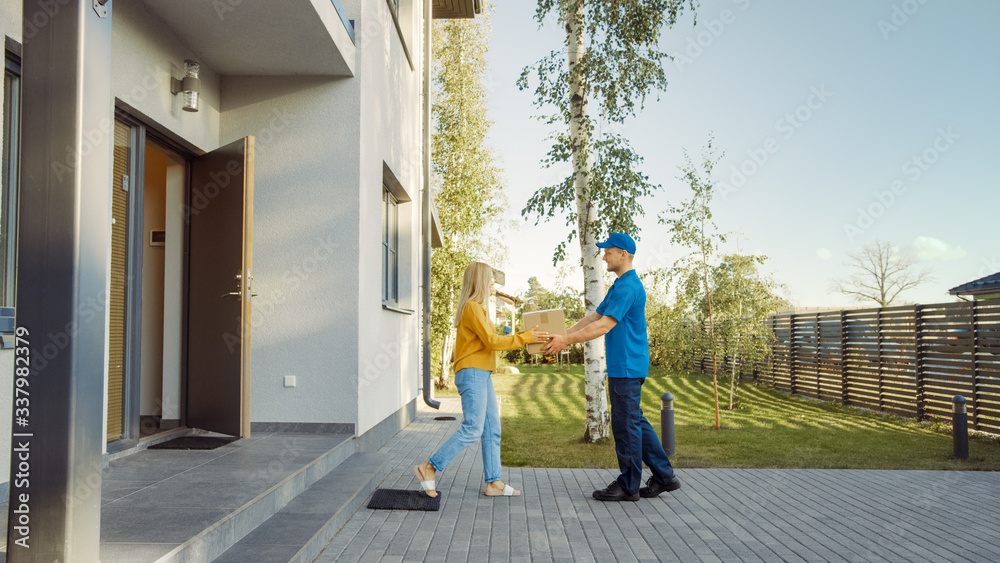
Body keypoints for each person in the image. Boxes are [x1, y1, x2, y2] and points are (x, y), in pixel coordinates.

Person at [542, 233, 680, 502]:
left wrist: (565, 341)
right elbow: (595, 317)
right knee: (634, 422)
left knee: (625, 426)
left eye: (608, 251)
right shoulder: (619, 285)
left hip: (627, 367)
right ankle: (665, 476)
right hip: (625, 366)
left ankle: (629, 486)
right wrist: (562, 335)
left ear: (623, 255)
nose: (603, 255)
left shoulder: (628, 287)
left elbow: (605, 326)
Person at [415, 262, 548, 498]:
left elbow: (490, 341)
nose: (493, 283)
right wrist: (525, 338)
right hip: (472, 372)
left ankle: (493, 482)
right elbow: (492, 342)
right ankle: (429, 467)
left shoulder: (479, 309)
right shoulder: (472, 308)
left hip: (481, 373)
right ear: (479, 281)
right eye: (489, 278)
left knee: (491, 429)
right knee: (473, 429)